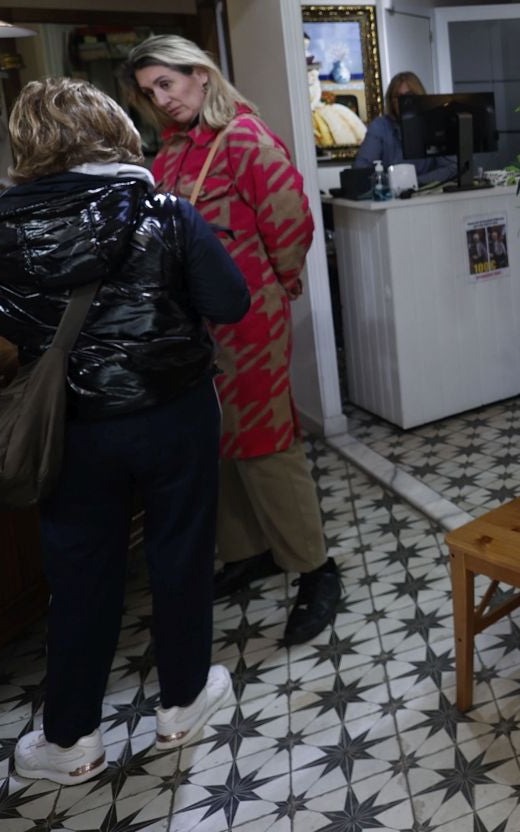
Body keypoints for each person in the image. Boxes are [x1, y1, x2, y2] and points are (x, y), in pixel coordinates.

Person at [0, 80, 247, 785]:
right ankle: (182, 705)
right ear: (112, 129)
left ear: (28, 142)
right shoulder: (166, 212)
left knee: (81, 573)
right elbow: (230, 301)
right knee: (180, 555)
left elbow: (4, 318)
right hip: (172, 409)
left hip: (73, 423)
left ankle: (70, 742)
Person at [123, 36, 343, 646]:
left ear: (200, 74)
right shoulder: (170, 150)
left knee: (266, 440)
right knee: (216, 438)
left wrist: (280, 281)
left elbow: (292, 221)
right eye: (149, 93)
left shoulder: (243, 139)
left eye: (167, 83)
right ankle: (249, 552)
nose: (161, 100)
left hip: (248, 318)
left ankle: (316, 568)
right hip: (193, 323)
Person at [354, 72, 462, 185]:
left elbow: (454, 168)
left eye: (409, 96)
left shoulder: (435, 123)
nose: (404, 102)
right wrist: (392, 182)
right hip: (391, 198)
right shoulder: (380, 126)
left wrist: (414, 182)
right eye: (398, 97)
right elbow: (360, 171)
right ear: (391, 101)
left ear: (420, 97)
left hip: (428, 195)